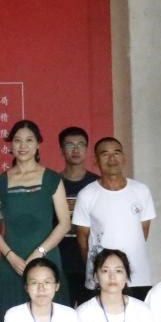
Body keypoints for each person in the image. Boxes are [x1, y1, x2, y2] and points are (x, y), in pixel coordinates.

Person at [0, 120, 72, 322]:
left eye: (29, 140)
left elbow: (64, 223)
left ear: (38, 145)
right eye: (17, 140)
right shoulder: (0, 182)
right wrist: (10, 256)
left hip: (46, 258)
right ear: (10, 145)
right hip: (12, 262)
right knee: (12, 315)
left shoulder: (52, 179)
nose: (22, 145)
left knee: (52, 315)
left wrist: (39, 253)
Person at [72, 137, 156, 300]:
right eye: (105, 154)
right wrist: (98, 265)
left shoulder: (141, 191)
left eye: (116, 153)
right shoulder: (87, 194)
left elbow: (143, 232)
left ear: (124, 158)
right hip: (101, 276)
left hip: (137, 276)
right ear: (96, 160)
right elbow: (83, 240)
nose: (112, 159)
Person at [57, 126, 99, 305]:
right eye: (70, 145)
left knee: (90, 311)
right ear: (61, 150)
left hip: (90, 258)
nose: (76, 149)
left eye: (81, 144)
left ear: (87, 149)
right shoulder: (53, 182)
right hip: (60, 258)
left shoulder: (98, 183)